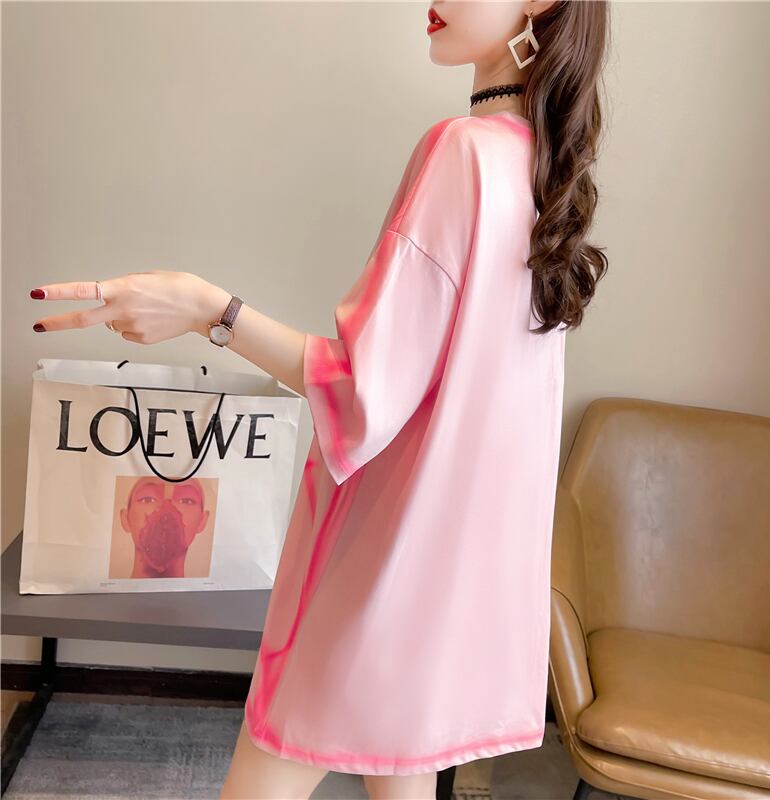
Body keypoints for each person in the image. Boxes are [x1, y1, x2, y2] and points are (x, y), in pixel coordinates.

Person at [28, 1, 610, 797]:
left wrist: (206, 309)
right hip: (454, 588)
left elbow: (362, 385)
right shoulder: (539, 172)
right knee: (398, 775)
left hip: (385, 571)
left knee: (278, 761)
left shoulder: (462, 153)